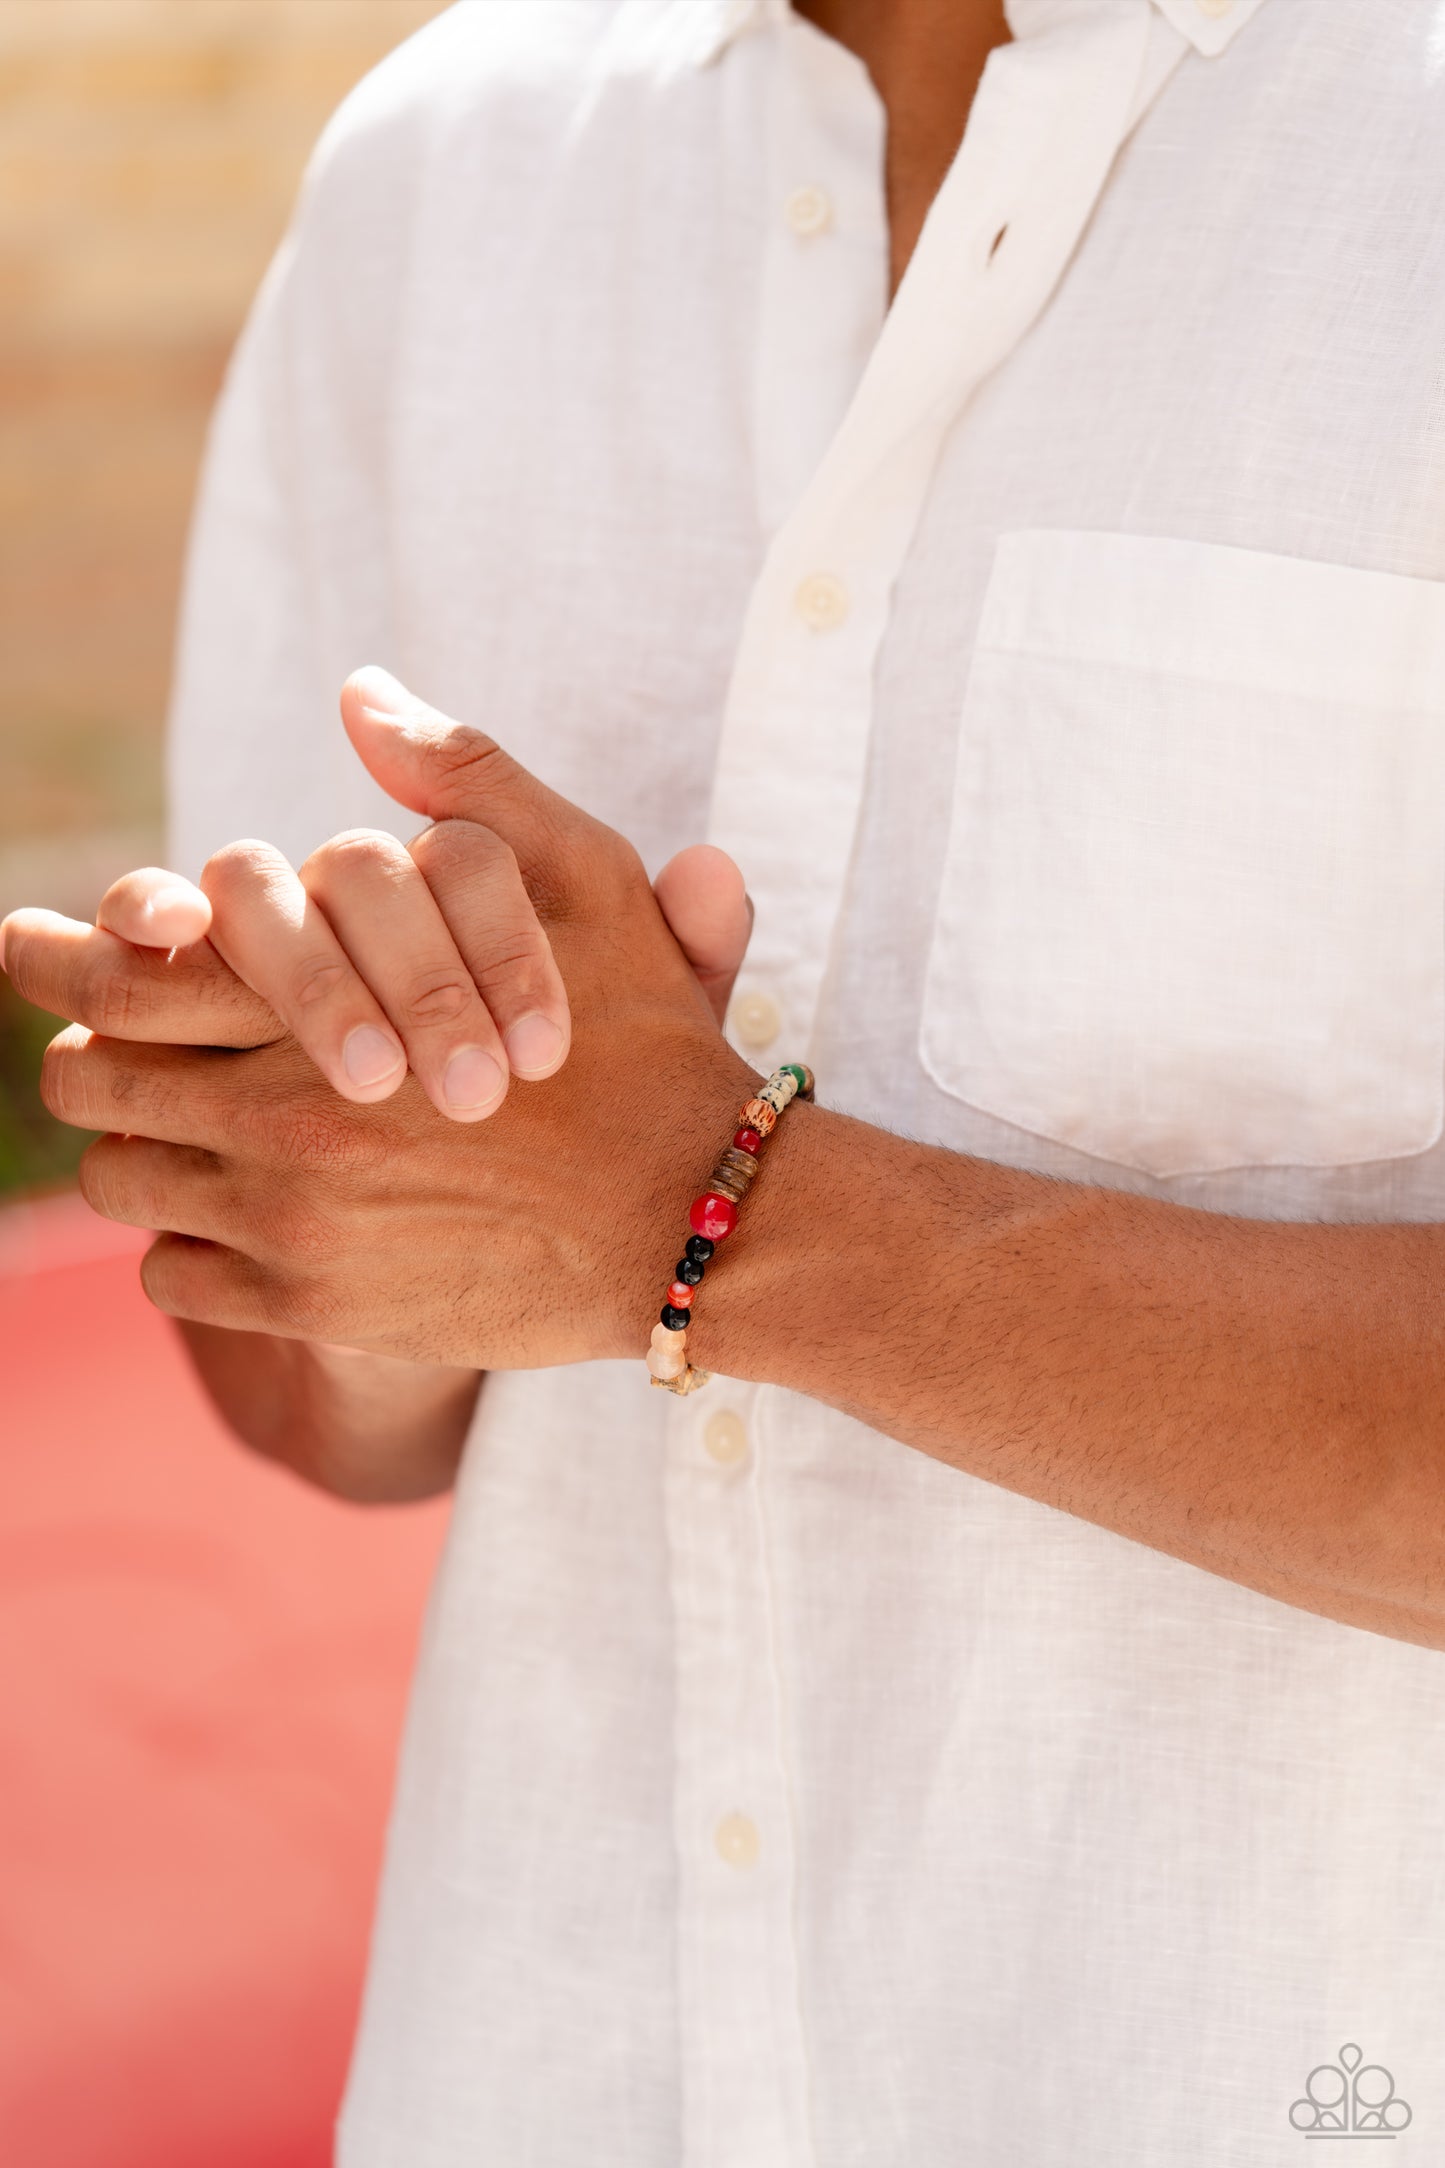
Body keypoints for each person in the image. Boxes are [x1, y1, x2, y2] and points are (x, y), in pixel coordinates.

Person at [4, 0, 1444, 2159]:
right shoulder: (448, 167)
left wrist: (708, 1214)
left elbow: (635, 1216)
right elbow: (317, 1401)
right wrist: (353, 1156)